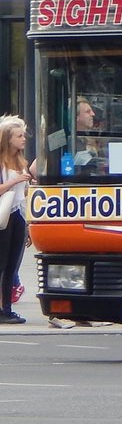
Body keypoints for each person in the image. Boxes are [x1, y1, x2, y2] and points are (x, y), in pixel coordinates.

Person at [0, 115, 33, 324]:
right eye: (19, 136)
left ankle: (8, 308)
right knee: (2, 263)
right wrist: (15, 180)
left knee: (13, 264)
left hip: (18, 214)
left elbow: (25, 195)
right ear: (8, 139)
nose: (23, 139)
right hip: (4, 214)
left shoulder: (22, 161)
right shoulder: (2, 163)